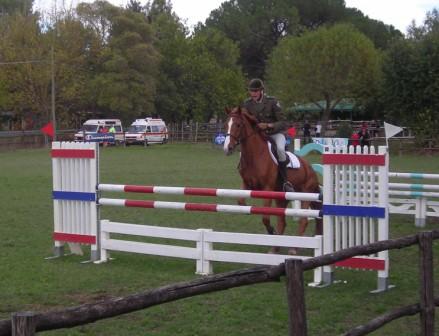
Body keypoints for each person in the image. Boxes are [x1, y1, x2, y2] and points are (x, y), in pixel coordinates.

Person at [242, 78, 294, 192]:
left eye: (256, 91)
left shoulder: (272, 101)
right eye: (251, 91)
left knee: (280, 149)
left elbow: (284, 122)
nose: (253, 93)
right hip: (259, 136)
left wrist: (269, 125)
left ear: (261, 91)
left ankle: (285, 181)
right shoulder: (247, 104)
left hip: (275, 134)